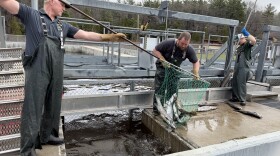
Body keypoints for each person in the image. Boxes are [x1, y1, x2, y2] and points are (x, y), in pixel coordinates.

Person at [0, 0, 126, 155]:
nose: (65, 9)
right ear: (52, 1)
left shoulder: (62, 26)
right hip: (37, 71)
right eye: (63, 5)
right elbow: (7, 3)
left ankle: (48, 136)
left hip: (56, 71)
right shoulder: (31, 15)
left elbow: (86, 35)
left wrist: (108, 38)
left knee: (54, 104)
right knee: (32, 109)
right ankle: (27, 149)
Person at [152, 32, 200, 115]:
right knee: (160, 88)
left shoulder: (189, 49)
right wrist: (162, 59)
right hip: (163, 67)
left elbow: (196, 62)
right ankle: (157, 110)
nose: (184, 46)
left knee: (173, 90)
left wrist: (196, 71)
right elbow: (155, 51)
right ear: (178, 40)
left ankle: (170, 109)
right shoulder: (168, 43)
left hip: (174, 69)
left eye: (186, 44)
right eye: (182, 43)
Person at [230, 28, 256, 106]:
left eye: (238, 39)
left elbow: (254, 41)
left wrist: (246, 33)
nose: (237, 41)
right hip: (237, 67)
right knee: (234, 82)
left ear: (242, 39)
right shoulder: (239, 47)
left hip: (244, 68)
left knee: (241, 83)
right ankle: (235, 97)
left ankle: (242, 99)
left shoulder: (246, 46)